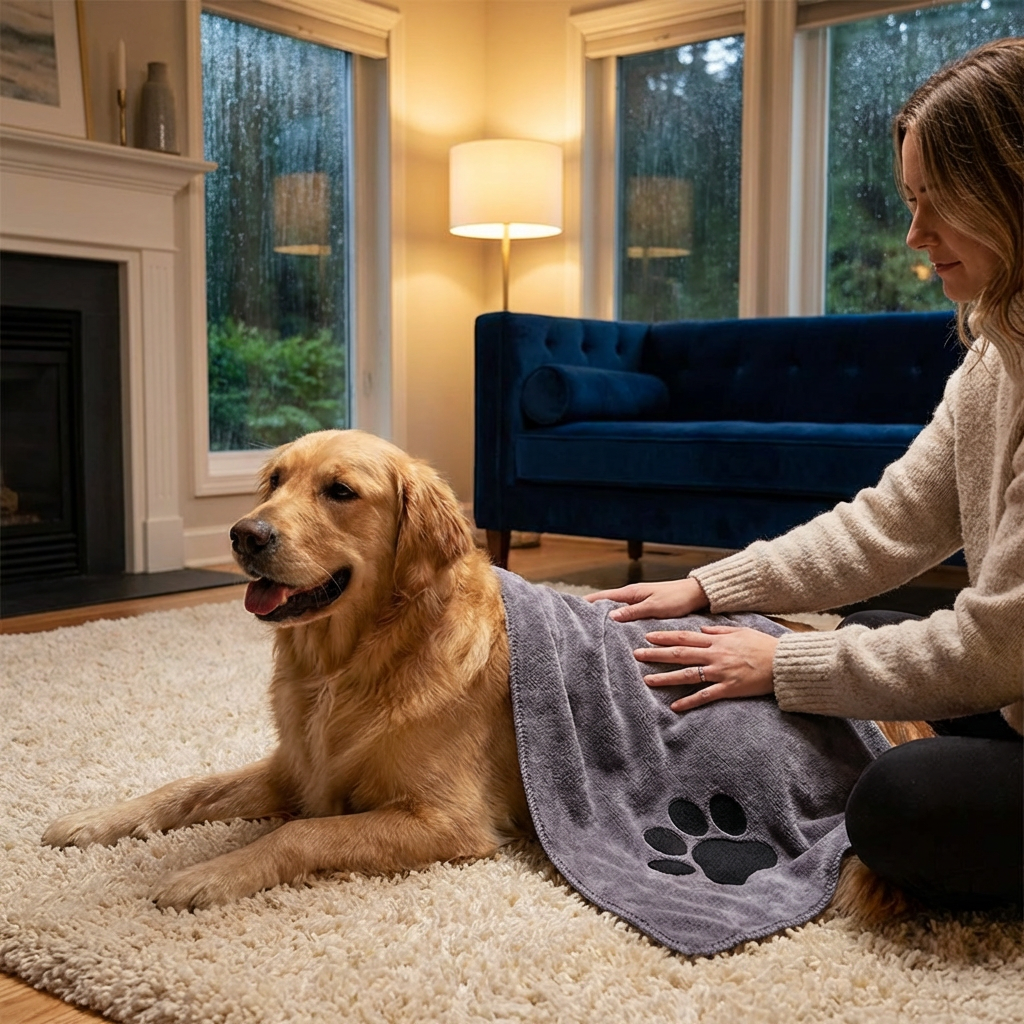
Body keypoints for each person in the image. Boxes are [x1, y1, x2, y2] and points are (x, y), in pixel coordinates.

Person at [586, 38, 1024, 912]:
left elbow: (999, 646)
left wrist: (785, 662)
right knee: (870, 627)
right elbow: (886, 522)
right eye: (909, 201)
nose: (913, 234)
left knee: (897, 806)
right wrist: (714, 587)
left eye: (936, 202)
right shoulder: (993, 355)